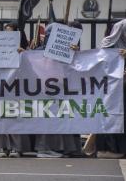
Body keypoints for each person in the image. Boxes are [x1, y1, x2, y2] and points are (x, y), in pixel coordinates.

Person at [96, 18, 126, 158]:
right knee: (112, 115)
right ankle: (109, 149)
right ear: (122, 32)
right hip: (112, 87)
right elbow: (101, 63)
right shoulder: (108, 44)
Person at [33, 22, 82, 158]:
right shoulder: (37, 52)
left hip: (63, 90)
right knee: (47, 118)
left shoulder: (68, 50)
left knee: (65, 118)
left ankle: (66, 148)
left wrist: (75, 52)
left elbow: (78, 66)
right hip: (43, 91)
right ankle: (44, 148)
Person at [0, 22, 33, 158]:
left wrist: (25, 54)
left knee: (15, 116)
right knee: (0, 116)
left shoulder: (26, 51)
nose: (8, 36)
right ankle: (1, 147)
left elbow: (34, 65)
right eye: (5, 33)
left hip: (17, 88)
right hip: (0, 87)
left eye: (11, 33)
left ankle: (16, 148)